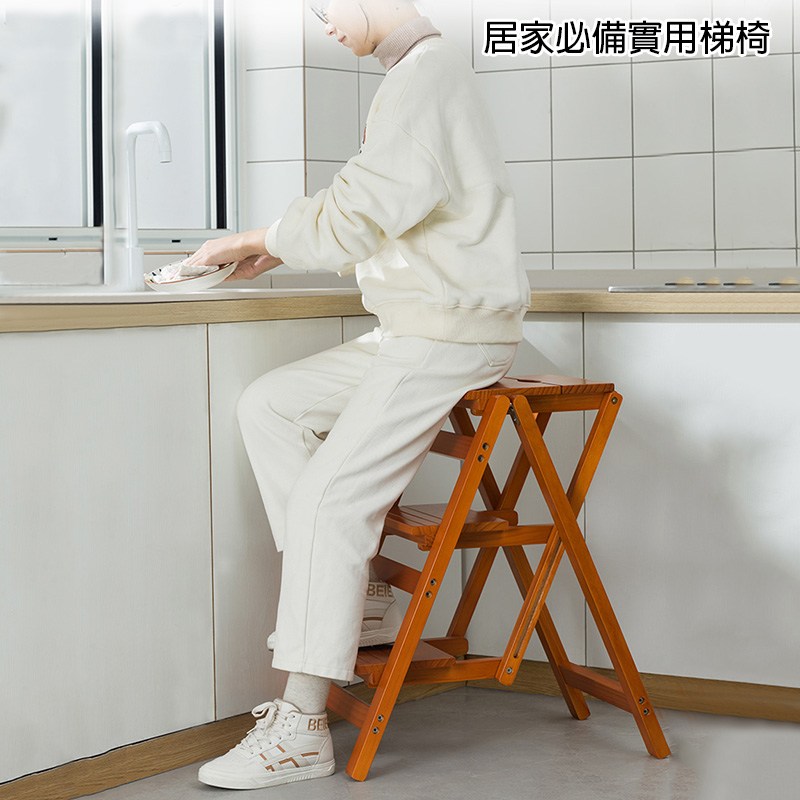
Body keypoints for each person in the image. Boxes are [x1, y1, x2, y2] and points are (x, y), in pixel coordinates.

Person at [190, 0, 531, 790]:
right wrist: (281, 249)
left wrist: (255, 239)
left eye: (325, 7)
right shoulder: (417, 75)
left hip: (449, 332)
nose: (322, 23)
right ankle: (367, 594)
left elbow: (361, 213)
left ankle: (301, 726)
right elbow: (382, 210)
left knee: (328, 501)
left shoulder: (424, 77)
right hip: (418, 326)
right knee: (271, 404)